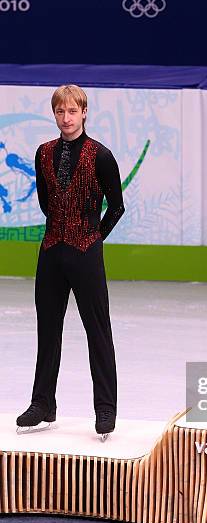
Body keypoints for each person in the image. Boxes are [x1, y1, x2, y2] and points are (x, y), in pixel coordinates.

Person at [16, 84, 125, 440]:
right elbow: (47, 201)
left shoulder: (101, 155)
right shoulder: (43, 152)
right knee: (48, 328)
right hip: (51, 249)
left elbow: (117, 205)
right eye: (60, 112)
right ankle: (43, 402)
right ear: (55, 114)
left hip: (85, 251)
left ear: (84, 113)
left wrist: (93, 236)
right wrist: (62, 230)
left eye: (72, 112)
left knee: (98, 329)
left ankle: (105, 407)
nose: (66, 118)